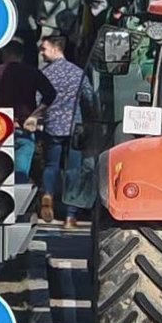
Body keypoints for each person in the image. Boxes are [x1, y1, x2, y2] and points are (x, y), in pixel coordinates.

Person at [38, 35, 96, 228]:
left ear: (56, 49)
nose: (41, 52)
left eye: (44, 49)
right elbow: (89, 98)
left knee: (51, 166)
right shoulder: (77, 73)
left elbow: (38, 99)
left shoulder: (45, 74)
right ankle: (71, 216)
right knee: (74, 170)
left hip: (52, 126)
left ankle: (48, 194)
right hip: (74, 128)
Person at [0, 39, 56, 183]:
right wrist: (35, 115)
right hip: (24, 128)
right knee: (20, 177)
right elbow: (51, 94)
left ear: (3, 53)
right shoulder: (31, 72)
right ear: (22, 55)